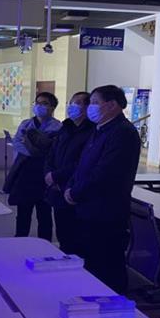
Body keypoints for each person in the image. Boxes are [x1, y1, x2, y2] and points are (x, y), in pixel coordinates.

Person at [64, 85, 141, 294]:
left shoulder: (122, 132)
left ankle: (112, 304)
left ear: (112, 105)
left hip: (106, 211)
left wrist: (76, 193)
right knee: (92, 261)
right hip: (88, 209)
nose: (90, 107)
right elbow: (83, 164)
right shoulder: (100, 129)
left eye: (95, 102)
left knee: (107, 265)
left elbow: (105, 172)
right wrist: (71, 186)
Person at [4, 92, 62, 241]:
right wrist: (34, 151)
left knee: (44, 212)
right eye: (38, 103)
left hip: (44, 174)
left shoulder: (58, 126)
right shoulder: (26, 124)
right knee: (23, 211)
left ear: (52, 107)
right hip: (25, 172)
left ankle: (45, 242)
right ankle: (20, 241)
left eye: (45, 103)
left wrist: (32, 145)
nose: (40, 106)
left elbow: (54, 149)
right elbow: (17, 143)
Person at [44, 92, 95, 256]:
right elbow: (51, 154)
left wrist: (57, 176)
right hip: (56, 190)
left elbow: (83, 162)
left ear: (87, 107)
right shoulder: (65, 127)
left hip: (73, 190)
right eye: (71, 102)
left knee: (76, 238)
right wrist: (49, 174)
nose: (72, 106)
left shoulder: (92, 131)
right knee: (62, 233)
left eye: (78, 102)